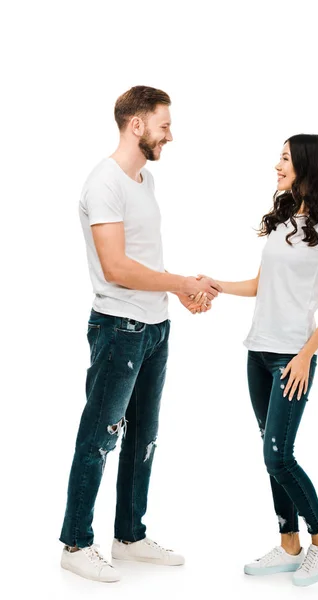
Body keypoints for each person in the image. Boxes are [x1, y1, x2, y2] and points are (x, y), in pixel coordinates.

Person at [59, 85, 219, 583]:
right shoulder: (103, 182)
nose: (170, 135)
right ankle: (76, 543)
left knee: (143, 438)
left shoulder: (144, 181)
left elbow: (144, 261)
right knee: (100, 436)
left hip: (154, 328)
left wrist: (180, 293)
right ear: (137, 125)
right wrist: (179, 283)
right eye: (164, 125)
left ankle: (128, 535)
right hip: (119, 328)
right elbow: (116, 268)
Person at [197, 134, 318, 587]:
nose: (276, 165)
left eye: (284, 158)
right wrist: (216, 284)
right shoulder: (285, 220)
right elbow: (261, 284)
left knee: (279, 455)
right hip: (258, 350)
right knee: (271, 453)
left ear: (306, 163)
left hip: (291, 356)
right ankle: (289, 544)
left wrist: (305, 355)